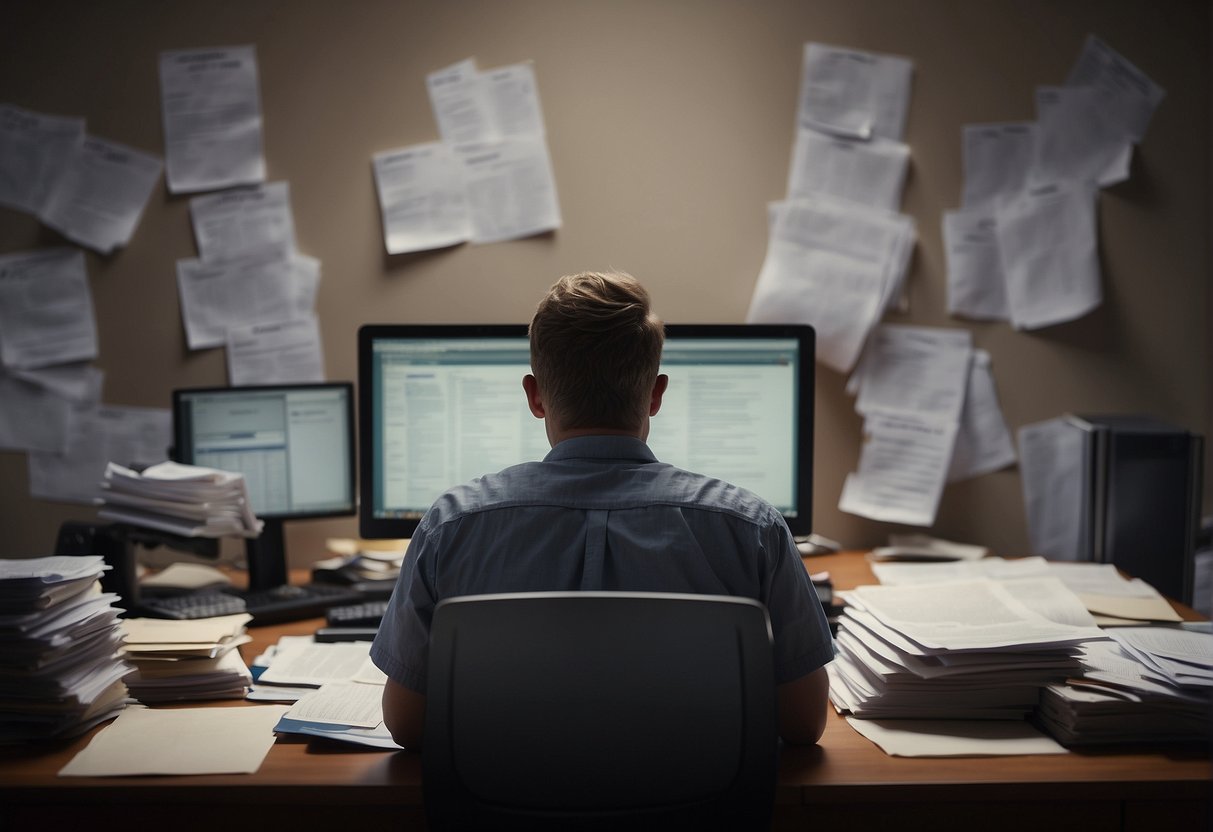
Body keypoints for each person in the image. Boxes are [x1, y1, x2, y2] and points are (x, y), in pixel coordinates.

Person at [370, 270, 834, 749]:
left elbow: (407, 723)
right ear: (655, 394)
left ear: (534, 396)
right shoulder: (751, 528)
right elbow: (802, 723)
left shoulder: (450, 526)